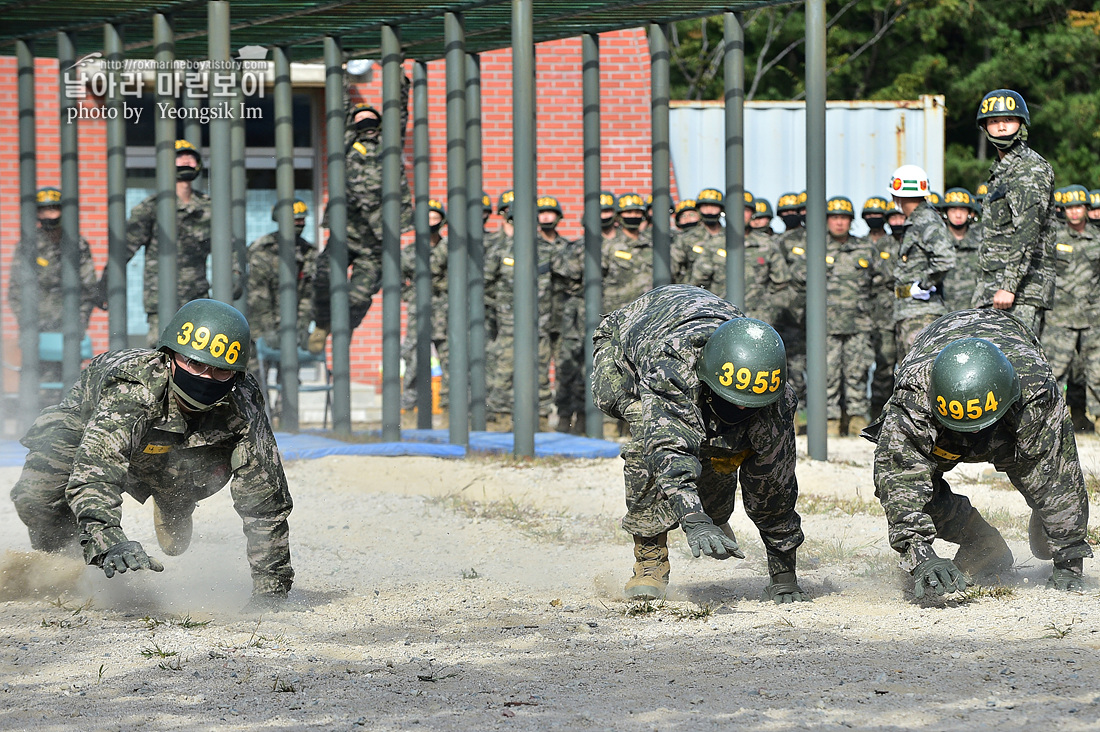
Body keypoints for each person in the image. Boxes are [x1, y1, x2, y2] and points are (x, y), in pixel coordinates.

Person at [9, 299, 295, 611]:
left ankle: (176, 502)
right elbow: (96, 471)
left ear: (237, 376)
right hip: (88, 432)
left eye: (221, 371)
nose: (206, 378)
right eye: (195, 364)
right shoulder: (134, 389)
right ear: (170, 357)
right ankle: (64, 568)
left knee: (204, 467)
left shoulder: (243, 400)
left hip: (181, 453)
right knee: (35, 495)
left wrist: (271, 592)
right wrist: (110, 540)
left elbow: (266, 500)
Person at [593, 285, 808, 604]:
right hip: (628, 344)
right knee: (646, 437)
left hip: (706, 341)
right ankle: (649, 561)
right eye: (734, 401)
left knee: (725, 444)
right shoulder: (674, 369)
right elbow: (669, 452)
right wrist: (694, 520)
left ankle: (715, 511)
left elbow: (775, 484)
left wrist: (784, 574)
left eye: (749, 405)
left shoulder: (775, 399)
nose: (741, 410)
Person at [862, 309, 1092, 598]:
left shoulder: (1034, 388)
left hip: (1006, 413)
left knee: (1047, 524)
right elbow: (898, 477)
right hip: (942, 423)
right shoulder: (914, 396)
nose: (972, 437)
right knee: (912, 479)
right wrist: (918, 552)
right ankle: (981, 540)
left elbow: (1057, 471)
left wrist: (1069, 559)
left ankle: (1051, 528)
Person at [310, 93, 413, 354]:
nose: (364, 122)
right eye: (358, 118)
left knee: (359, 295)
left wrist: (399, 78)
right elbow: (339, 108)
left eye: (370, 118)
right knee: (323, 276)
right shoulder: (345, 146)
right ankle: (322, 324)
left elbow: (399, 111)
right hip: (347, 233)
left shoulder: (389, 147)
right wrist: (343, 76)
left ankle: (345, 329)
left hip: (377, 238)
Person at [971, 89, 1057, 334]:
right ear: (984, 127)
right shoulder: (1001, 170)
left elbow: (1027, 231)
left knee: (1018, 369)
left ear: (1021, 124)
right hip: (994, 290)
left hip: (1018, 294)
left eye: (1008, 120)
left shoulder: (1029, 168)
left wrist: (1008, 286)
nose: (1000, 127)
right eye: (994, 121)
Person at [121, 139, 211, 345]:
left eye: (191, 157)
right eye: (180, 157)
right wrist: (108, 279)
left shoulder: (208, 207)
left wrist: (235, 273)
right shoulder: (152, 207)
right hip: (160, 298)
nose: (186, 161)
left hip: (197, 297)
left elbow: (228, 246)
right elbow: (126, 246)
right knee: (161, 352)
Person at [8, 187, 100, 380]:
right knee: (33, 387)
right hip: (35, 330)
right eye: (43, 210)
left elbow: (89, 288)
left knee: (69, 386)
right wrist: (26, 323)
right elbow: (15, 291)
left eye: (53, 209)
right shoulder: (27, 246)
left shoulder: (77, 245)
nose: (49, 215)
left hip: (69, 330)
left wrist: (79, 323)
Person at [1041, 185, 1100, 423]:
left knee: (1097, 371)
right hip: (1060, 317)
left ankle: (1096, 419)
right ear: (1062, 210)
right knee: (1054, 371)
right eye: (1069, 208)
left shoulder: (1097, 238)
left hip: (1093, 316)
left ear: (1086, 208)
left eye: (1079, 207)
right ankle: (1052, 421)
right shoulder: (1052, 236)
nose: (1074, 212)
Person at [889, 164, 955, 364]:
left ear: (896, 195)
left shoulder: (925, 220)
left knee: (919, 372)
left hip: (921, 313)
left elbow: (945, 258)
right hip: (910, 311)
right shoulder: (916, 220)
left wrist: (924, 284)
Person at [823, 196, 876, 435]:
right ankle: (830, 421)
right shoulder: (816, 248)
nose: (839, 223)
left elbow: (881, 282)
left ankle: (856, 420)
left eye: (844, 218)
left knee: (857, 373)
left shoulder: (865, 248)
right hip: (826, 324)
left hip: (858, 323)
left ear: (851, 221)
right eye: (834, 217)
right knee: (827, 373)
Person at [246, 199, 318, 371]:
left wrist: (303, 325)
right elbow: (258, 294)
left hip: (291, 326)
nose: (301, 224)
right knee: (255, 376)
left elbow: (309, 293)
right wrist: (267, 329)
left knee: (290, 378)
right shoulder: (262, 250)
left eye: (303, 220)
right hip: (259, 326)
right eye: (296, 220)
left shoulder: (308, 252)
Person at [400, 198, 449, 417]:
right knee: (414, 359)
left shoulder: (450, 249)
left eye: (435, 217)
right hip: (418, 314)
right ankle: (410, 410)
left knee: (451, 359)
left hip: (446, 313)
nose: (431, 222)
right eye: (427, 218)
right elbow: (397, 281)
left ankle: (450, 410)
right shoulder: (409, 252)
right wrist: (414, 294)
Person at [863, 197, 898, 421]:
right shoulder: (873, 246)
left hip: (904, 312)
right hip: (880, 315)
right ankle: (877, 415)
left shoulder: (903, 241)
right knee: (883, 366)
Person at [601, 192, 654, 312]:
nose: (633, 216)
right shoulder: (609, 246)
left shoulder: (652, 243)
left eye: (637, 212)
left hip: (649, 311)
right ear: (619, 215)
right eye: (628, 212)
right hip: (618, 313)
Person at [940, 188, 982, 312]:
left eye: (962, 209)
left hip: (974, 310)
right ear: (945, 213)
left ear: (970, 212)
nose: (958, 215)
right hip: (942, 312)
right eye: (953, 210)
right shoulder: (938, 239)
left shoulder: (982, 237)